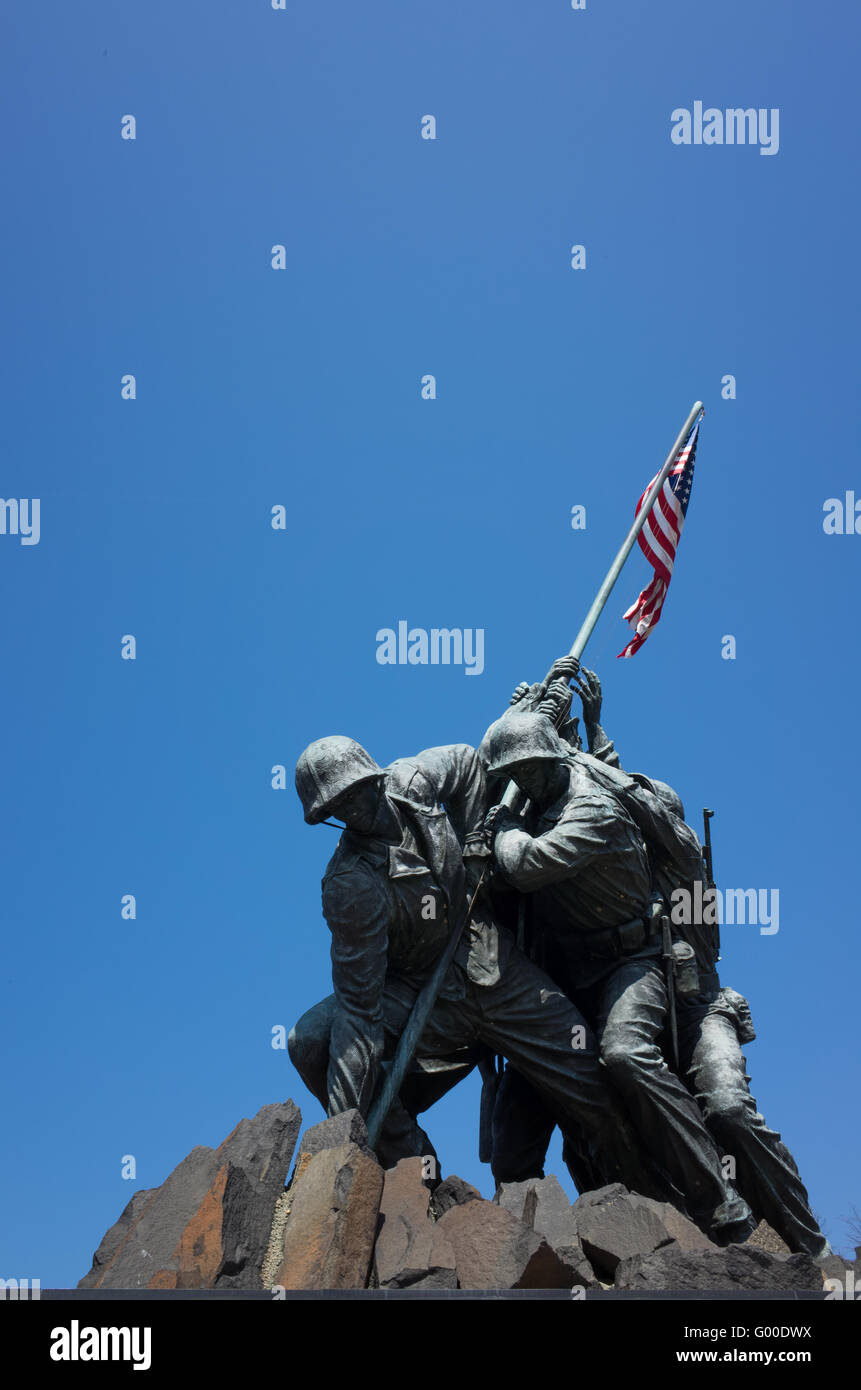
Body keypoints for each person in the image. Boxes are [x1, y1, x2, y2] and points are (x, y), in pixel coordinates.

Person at [288, 733, 657, 1192]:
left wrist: (475, 839)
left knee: (586, 1072)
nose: (352, 808)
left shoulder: (415, 781)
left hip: (492, 962)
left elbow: (467, 764)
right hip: (423, 992)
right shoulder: (351, 885)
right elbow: (359, 1009)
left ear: (373, 778)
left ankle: (645, 1191)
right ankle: (419, 1186)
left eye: (354, 791)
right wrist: (341, 1134)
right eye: (337, 805)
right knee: (310, 1041)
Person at [480, 701, 754, 1243]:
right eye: (514, 774)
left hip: (630, 962)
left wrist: (505, 828)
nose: (522, 782)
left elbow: (528, 865)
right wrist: (530, 707)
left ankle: (715, 1194)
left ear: (554, 759)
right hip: (562, 974)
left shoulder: (592, 807)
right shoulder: (539, 801)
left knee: (625, 1054)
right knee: (518, 1111)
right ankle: (520, 1246)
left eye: (529, 769)